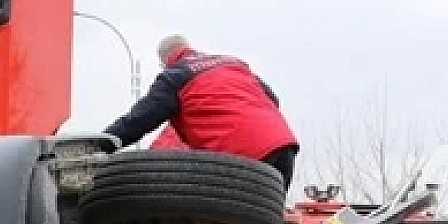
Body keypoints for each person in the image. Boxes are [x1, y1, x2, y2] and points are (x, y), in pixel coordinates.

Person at [103, 35, 300, 191]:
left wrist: (100, 145)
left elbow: (139, 120)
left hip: (242, 159)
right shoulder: (232, 63)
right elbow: (271, 98)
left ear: (165, 61)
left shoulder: (174, 77)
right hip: (283, 147)